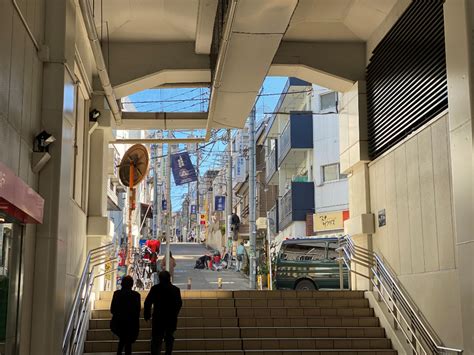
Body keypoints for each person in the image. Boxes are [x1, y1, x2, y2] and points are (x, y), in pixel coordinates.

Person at [144, 271, 183, 355]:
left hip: (158, 317)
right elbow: (179, 304)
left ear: (160, 279)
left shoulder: (155, 289)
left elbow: (148, 302)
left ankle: (155, 352)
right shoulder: (175, 290)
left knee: (156, 338)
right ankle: (168, 352)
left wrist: (147, 314)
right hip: (171, 318)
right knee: (169, 337)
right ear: (169, 278)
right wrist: (175, 314)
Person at [110, 276, 141, 355]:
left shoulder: (116, 294)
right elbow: (137, 311)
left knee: (123, 339)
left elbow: (112, 309)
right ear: (132, 284)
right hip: (131, 323)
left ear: (122, 284)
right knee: (127, 342)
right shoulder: (136, 295)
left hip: (118, 322)